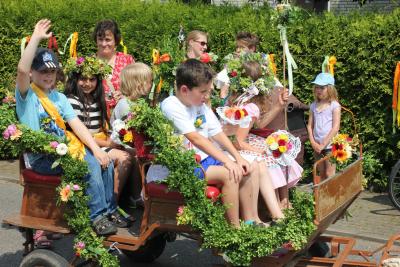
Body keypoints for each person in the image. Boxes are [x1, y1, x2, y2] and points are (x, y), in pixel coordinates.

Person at [15, 19, 124, 237]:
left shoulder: (60, 97)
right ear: (32, 74)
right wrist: (35, 38)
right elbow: (21, 69)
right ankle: (97, 217)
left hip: (64, 151)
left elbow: (77, 126)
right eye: (42, 71)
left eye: (52, 71)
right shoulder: (27, 95)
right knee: (88, 165)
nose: (48, 75)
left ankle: (109, 210)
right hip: (42, 157)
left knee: (103, 162)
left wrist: (97, 149)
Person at [161, 59, 284, 227]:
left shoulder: (199, 103)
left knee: (250, 166)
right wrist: (228, 161)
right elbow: (196, 138)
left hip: (205, 159)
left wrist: (237, 157)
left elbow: (217, 133)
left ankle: (252, 221)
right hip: (186, 164)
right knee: (231, 174)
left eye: (208, 91)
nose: (207, 96)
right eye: (203, 92)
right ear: (184, 90)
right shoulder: (171, 105)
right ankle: (235, 229)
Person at [225, 61, 302, 209]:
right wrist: (260, 150)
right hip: (238, 143)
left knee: (279, 149)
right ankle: (273, 205)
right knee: (271, 154)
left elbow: (258, 125)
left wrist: (279, 106)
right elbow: (239, 141)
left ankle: (283, 200)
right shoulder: (246, 104)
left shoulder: (244, 100)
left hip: (241, 139)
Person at [63, 56, 134, 216]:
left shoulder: (95, 99)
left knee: (130, 154)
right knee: (124, 157)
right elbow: (81, 135)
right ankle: (110, 204)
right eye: (83, 79)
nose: (87, 83)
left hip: (98, 142)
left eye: (92, 79)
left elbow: (102, 127)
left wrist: (115, 137)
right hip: (82, 146)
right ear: (75, 79)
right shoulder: (72, 101)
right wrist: (109, 144)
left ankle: (112, 204)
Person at [110, 62, 154, 207]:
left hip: (133, 142)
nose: (151, 84)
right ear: (138, 84)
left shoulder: (140, 103)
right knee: (137, 155)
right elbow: (130, 132)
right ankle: (136, 196)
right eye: (149, 81)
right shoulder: (125, 104)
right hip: (120, 144)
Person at [93, 19, 134, 117]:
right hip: (97, 115)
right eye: (100, 39)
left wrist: (127, 97)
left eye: (107, 39)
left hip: (124, 116)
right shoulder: (89, 63)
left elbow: (139, 88)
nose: (103, 44)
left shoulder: (127, 60)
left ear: (116, 40)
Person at [307, 72, 341, 179]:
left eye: (322, 87)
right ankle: (322, 195)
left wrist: (323, 144)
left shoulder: (334, 106)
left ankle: (331, 195)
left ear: (330, 89)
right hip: (317, 146)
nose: (318, 90)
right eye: (317, 87)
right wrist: (313, 143)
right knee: (321, 174)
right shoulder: (313, 105)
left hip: (330, 146)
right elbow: (309, 126)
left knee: (329, 174)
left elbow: (336, 127)